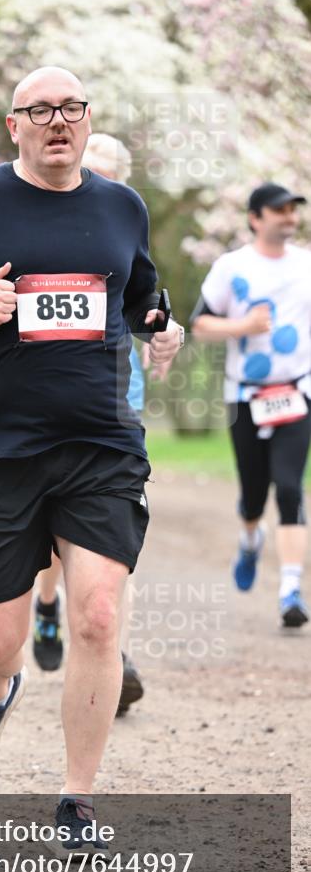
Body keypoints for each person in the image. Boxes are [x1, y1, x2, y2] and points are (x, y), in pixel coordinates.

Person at [0, 66, 183, 851]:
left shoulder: (122, 205)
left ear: (88, 122)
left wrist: (161, 323)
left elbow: (138, 293)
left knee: (94, 614)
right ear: (13, 124)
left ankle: (76, 802)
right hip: (0, 449)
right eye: (40, 110)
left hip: (100, 445)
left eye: (71, 109)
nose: (59, 121)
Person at [32, 134, 148, 722]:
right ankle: (48, 604)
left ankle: (112, 649)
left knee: (107, 531)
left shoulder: (123, 225)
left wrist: (164, 330)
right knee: (54, 523)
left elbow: (147, 301)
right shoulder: (41, 229)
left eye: (101, 175)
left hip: (115, 392)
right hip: (47, 397)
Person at [191, 183, 310, 628]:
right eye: (279, 209)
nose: (288, 216)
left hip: (297, 391)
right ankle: (249, 539)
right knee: (254, 494)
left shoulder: (307, 265)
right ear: (255, 218)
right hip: (245, 395)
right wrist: (243, 325)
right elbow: (200, 324)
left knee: (291, 486)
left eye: (293, 209)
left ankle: (290, 590)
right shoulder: (231, 267)